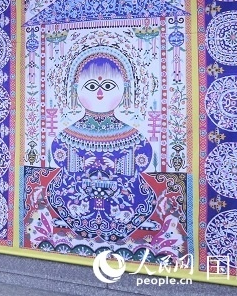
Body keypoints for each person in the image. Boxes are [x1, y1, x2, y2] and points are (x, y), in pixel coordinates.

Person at [47, 50, 157, 241]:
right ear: (75, 90)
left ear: (125, 90)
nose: (99, 93)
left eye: (108, 86)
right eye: (91, 86)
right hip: (80, 192)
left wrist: (119, 166)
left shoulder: (131, 134)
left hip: (120, 192)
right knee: (61, 188)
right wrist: (80, 164)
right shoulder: (69, 133)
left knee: (137, 193)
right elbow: (59, 155)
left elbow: (143, 158)